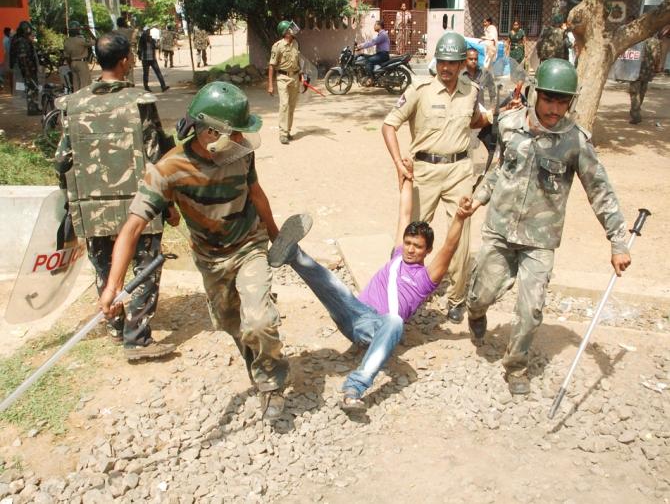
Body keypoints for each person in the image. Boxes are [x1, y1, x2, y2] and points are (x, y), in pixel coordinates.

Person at [100, 82, 290, 420]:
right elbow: (132, 228)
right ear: (207, 133)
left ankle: (270, 384)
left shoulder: (241, 153)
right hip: (210, 258)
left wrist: (277, 237)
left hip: (249, 246)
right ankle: (256, 365)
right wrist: (113, 285)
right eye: (234, 134)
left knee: (259, 320)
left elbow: (256, 193)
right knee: (235, 325)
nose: (241, 140)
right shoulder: (167, 171)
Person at [462, 58, 630, 395]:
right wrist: (477, 198)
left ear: (570, 102)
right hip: (499, 229)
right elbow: (498, 170)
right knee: (482, 293)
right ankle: (475, 311)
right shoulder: (509, 125)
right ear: (535, 94)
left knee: (531, 307)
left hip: (540, 240)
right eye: (549, 99)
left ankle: (516, 366)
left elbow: (600, 190)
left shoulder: (575, 142)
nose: (554, 109)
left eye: (562, 101)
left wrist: (618, 241)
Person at [267, 166, 468, 411]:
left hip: (373, 328)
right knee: (334, 285)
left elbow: (449, 246)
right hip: (352, 313)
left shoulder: (426, 278)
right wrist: (406, 177)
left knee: (395, 321)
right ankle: (292, 254)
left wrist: (459, 217)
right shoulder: (397, 256)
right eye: (407, 243)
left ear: (427, 251)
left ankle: (354, 389)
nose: (410, 249)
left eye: (417, 246)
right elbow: (404, 213)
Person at [54, 32, 178, 361]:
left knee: (104, 267)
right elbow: (157, 159)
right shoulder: (139, 102)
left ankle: (115, 324)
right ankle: (137, 338)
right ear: (125, 61)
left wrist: (73, 201)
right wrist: (170, 205)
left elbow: (61, 160)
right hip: (136, 205)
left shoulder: (74, 104)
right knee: (145, 266)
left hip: (91, 206)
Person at [381, 31, 494, 325]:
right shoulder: (420, 89)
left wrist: (496, 115)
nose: (446, 68)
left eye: (452, 63)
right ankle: (399, 292)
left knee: (461, 235)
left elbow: (473, 119)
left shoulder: (471, 90)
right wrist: (398, 163)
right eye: (442, 61)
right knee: (410, 235)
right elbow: (389, 125)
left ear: (462, 65)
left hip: (459, 171)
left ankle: (456, 299)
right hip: (425, 171)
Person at [267, 20, 302, 145]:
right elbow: (271, 66)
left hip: (295, 77)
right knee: (284, 105)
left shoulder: (296, 43)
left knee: (292, 106)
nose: (292, 29)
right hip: (282, 78)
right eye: (289, 28)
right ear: (285, 32)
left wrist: (301, 75)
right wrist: (270, 85)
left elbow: (297, 61)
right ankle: (282, 134)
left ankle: (287, 131)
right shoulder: (278, 46)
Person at [629, 34, 661, 125]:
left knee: (635, 92)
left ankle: (635, 114)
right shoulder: (654, 41)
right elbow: (656, 56)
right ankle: (636, 110)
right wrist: (656, 67)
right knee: (642, 91)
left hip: (635, 69)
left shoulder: (635, 38)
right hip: (647, 70)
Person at [9, 21, 40, 115]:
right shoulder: (21, 41)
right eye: (29, 29)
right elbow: (23, 57)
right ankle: (32, 109)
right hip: (27, 69)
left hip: (27, 68)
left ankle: (34, 107)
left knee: (32, 88)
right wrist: (27, 71)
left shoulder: (19, 39)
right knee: (32, 88)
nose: (30, 31)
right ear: (26, 29)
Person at [63, 20, 95, 91]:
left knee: (76, 85)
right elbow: (96, 41)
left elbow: (67, 56)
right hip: (81, 63)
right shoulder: (81, 40)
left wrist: (70, 65)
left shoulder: (67, 42)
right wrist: (88, 31)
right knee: (85, 85)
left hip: (73, 63)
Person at [138, 27, 169, 93]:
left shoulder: (151, 39)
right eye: (147, 31)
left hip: (152, 58)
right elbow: (139, 48)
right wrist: (139, 56)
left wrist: (155, 42)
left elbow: (155, 47)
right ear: (144, 32)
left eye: (149, 31)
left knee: (158, 72)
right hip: (145, 59)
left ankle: (163, 86)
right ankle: (146, 87)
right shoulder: (142, 39)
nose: (148, 32)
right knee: (146, 74)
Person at [114, 16, 138, 85]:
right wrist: (128, 24)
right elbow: (135, 30)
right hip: (127, 54)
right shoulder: (129, 31)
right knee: (129, 74)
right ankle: (130, 88)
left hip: (117, 55)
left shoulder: (114, 32)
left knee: (119, 72)